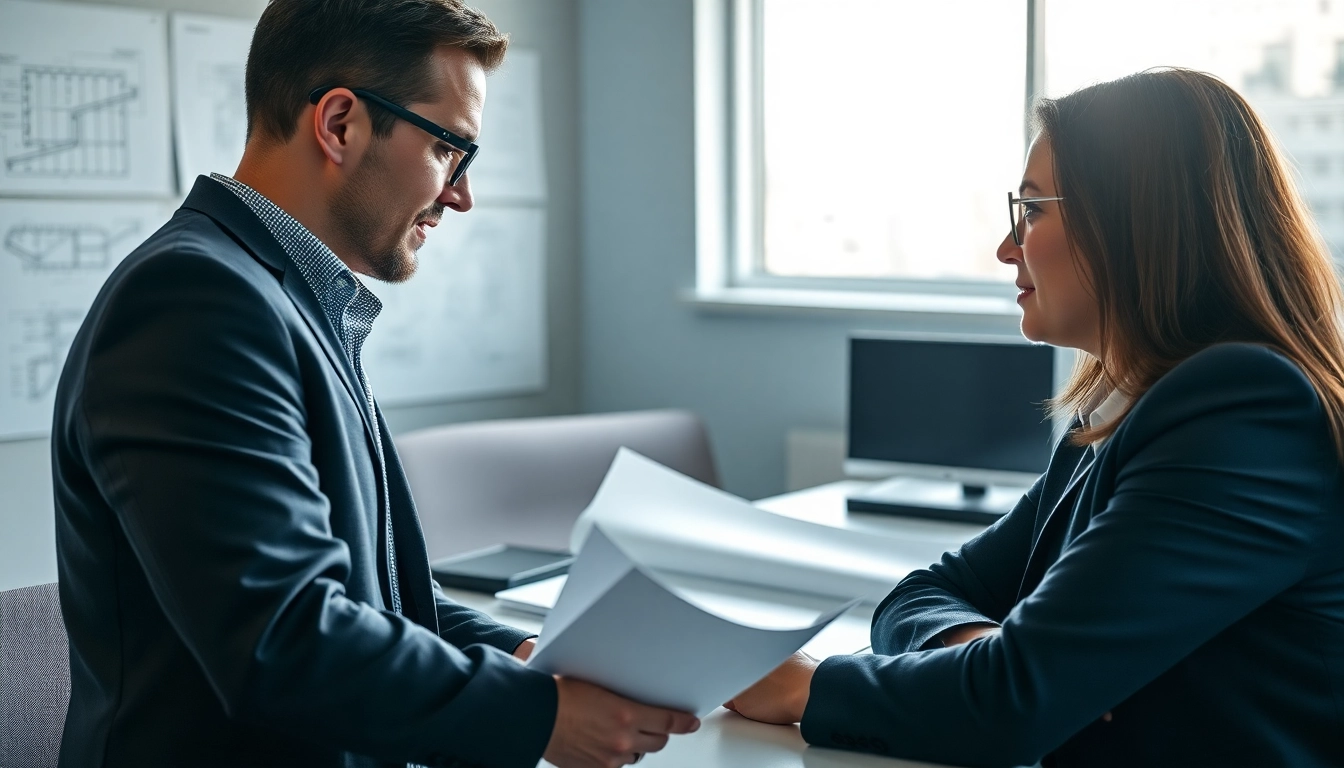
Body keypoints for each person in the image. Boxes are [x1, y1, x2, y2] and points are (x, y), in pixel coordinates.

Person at [51, 2, 696, 766]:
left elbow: (378, 597)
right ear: (340, 124)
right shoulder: (196, 303)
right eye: (449, 148)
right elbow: (284, 637)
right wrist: (541, 714)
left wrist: (531, 651)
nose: (460, 194)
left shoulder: (282, 295)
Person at [726, 68, 1344, 766]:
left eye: (1034, 210)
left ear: (1135, 221)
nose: (1007, 246)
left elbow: (1010, 702)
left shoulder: (1247, 410)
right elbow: (925, 594)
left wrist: (806, 688)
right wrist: (989, 652)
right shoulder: (1112, 412)